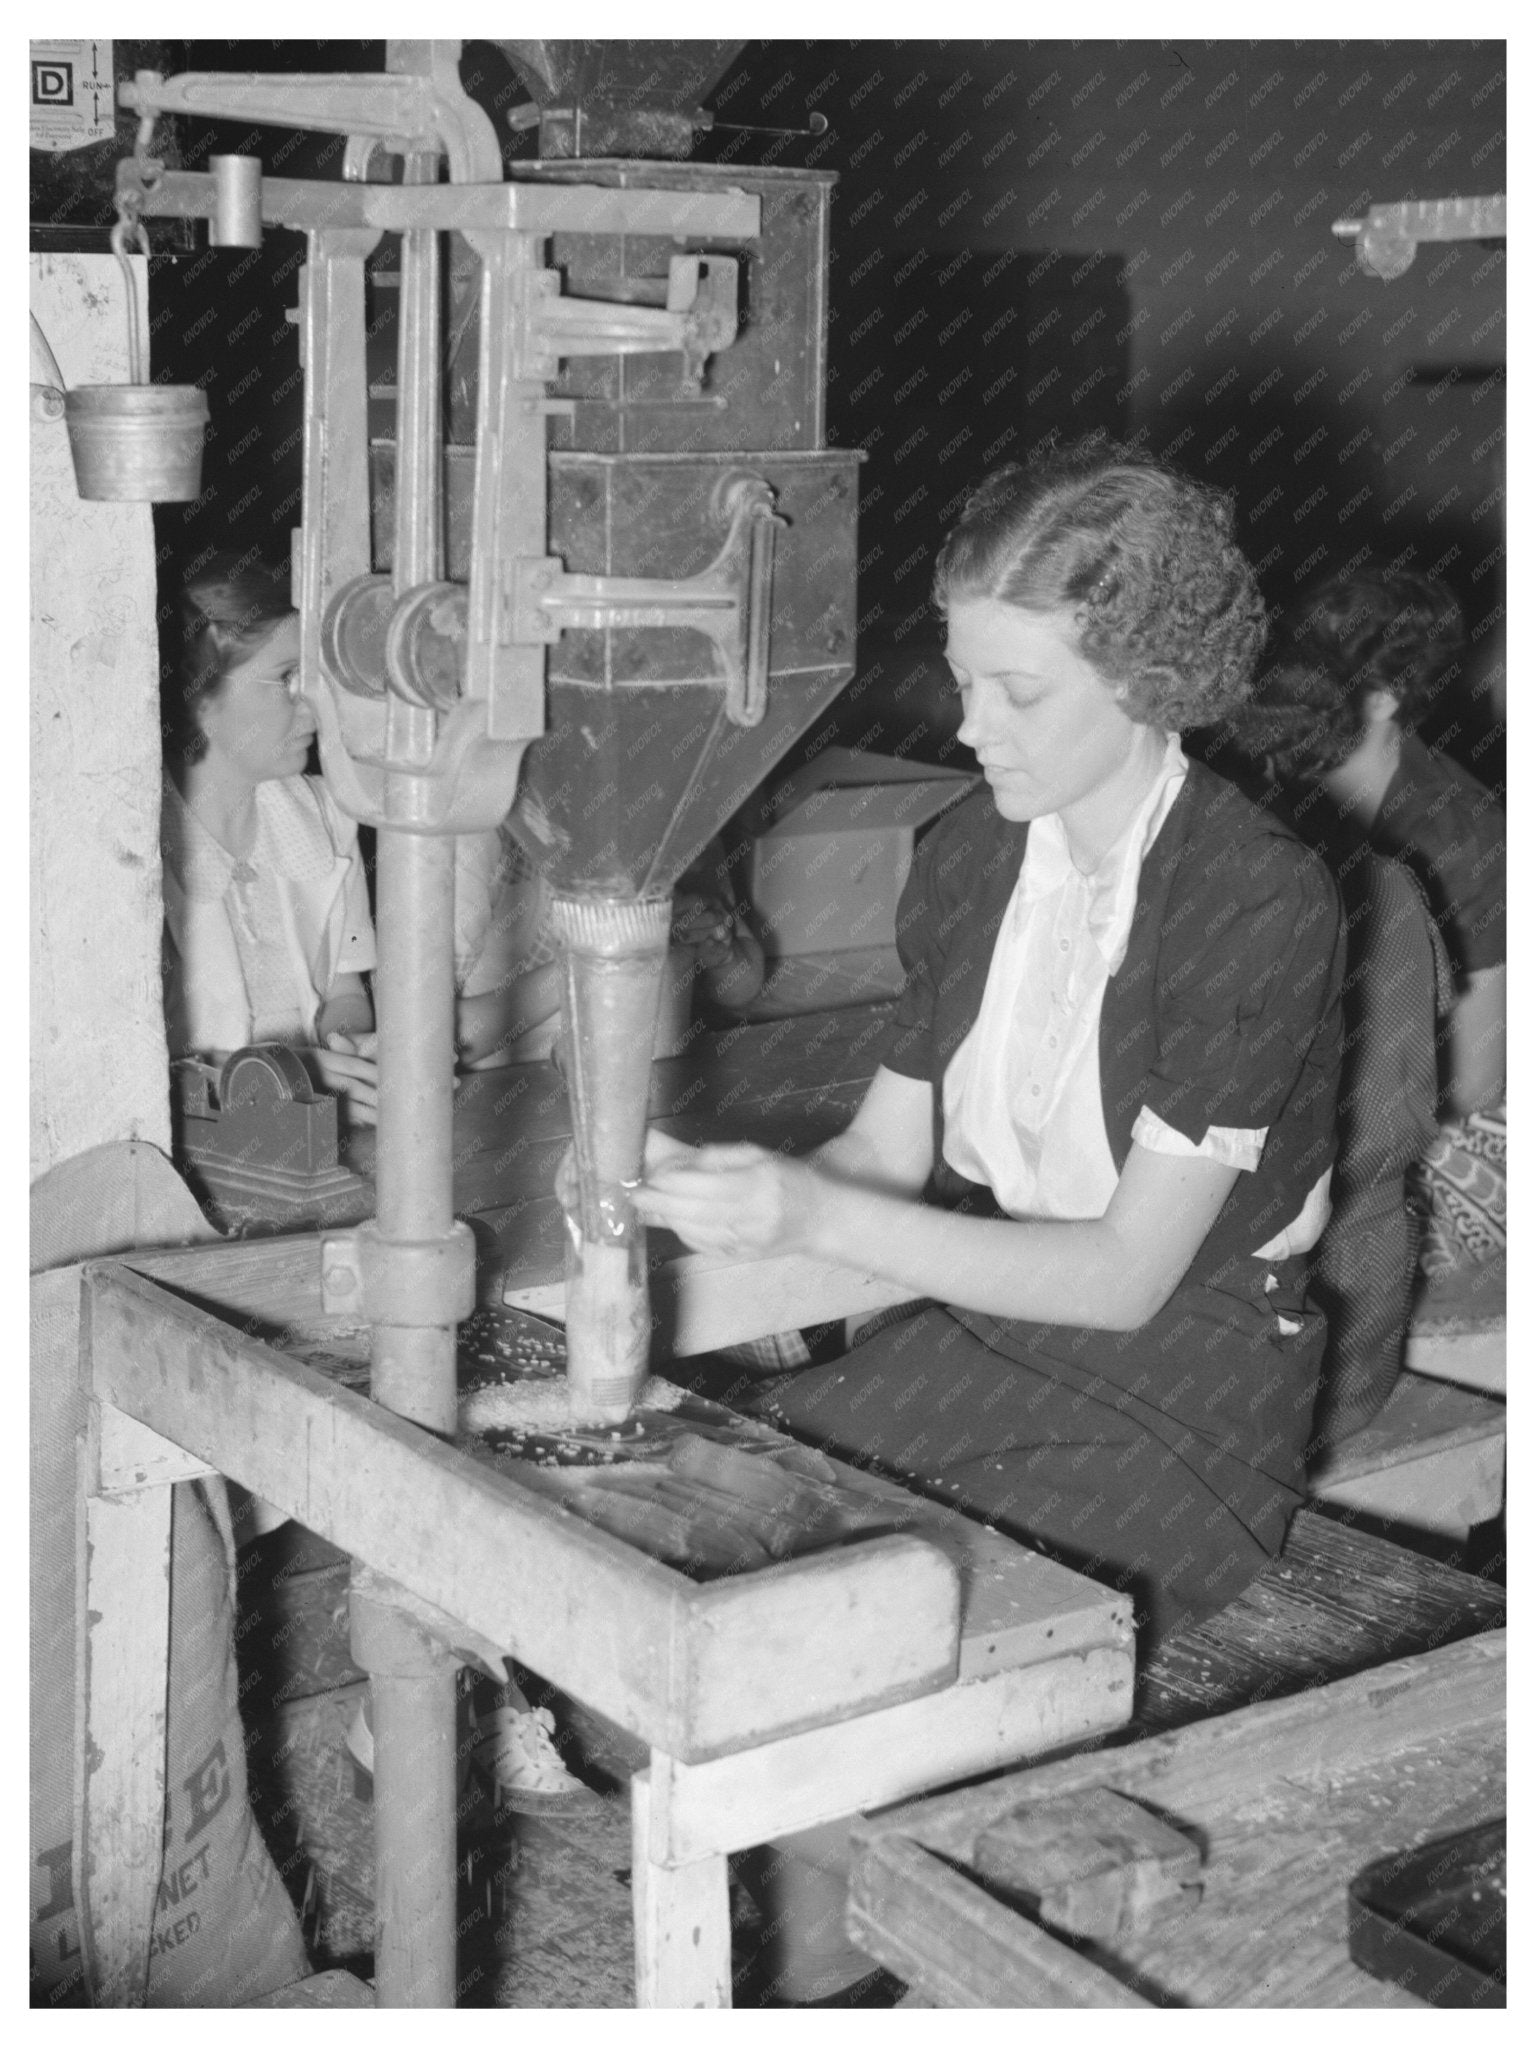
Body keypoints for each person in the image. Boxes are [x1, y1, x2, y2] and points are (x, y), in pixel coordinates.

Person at [634, 443, 1346, 2001]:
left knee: (862, 1637)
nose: (967, 726)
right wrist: (680, 1234)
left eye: (1018, 692)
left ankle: (841, 1976)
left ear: (1152, 679)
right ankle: (749, 1945)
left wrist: (815, 1212)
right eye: (963, 678)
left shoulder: (1256, 898)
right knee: (695, 1525)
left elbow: (1122, 1277)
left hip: (1193, 1379)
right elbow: (884, 1163)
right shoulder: (962, 858)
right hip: (986, 1327)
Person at [159, 555, 592, 1810]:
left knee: (463, 1351)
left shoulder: (307, 816)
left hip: (312, 1173)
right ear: (197, 699)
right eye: (286, 679)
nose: (313, 705)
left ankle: (448, 1689)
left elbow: (347, 991)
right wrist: (303, 1067)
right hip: (195, 1196)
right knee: (351, 1412)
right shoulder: (136, 837)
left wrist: (356, 1046)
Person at [1240, 568, 1505, 1286]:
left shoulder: (1464, 840)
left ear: (1387, 698)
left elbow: (1475, 1084)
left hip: (1452, 1123)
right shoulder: (1273, 775)